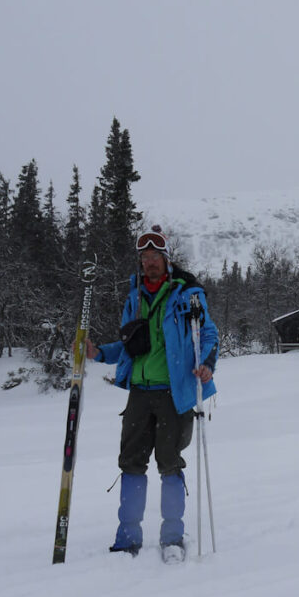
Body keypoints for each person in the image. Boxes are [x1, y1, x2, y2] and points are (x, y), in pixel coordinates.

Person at [86, 225, 218, 562]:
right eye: (144, 258)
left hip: (175, 394)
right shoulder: (135, 298)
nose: (149, 263)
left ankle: (172, 539)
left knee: (169, 464)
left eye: (154, 257)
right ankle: (127, 538)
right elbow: (130, 346)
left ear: (166, 259)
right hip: (140, 394)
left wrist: (206, 364)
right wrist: (99, 353)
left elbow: (209, 335)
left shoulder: (187, 293)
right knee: (131, 463)